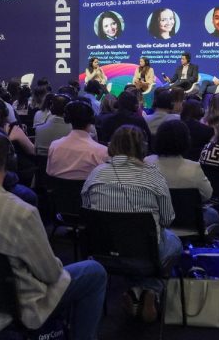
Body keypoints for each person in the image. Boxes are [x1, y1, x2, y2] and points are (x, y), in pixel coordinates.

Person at [0, 130, 107, 339]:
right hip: (13, 311)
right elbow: (50, 274)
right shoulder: (22, 212)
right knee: (94, 271)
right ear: (10, 161)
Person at [81, 125, 179, 323]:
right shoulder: (153, 176)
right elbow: (168, 219)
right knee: (174, 242)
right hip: (145, 256)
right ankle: (151, 290)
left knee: (132, 250)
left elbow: (86, 211)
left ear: (112, 145)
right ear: (143, 147)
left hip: (102, 254)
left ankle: (136, 292)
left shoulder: (95, 175)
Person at [144, 120, 218, 226]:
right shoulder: (194, 168)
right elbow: (207, 195)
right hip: (188, 226)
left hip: (155, 225)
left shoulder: (146, 163)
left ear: (158, 139)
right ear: (186, 141)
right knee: (213, 214)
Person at [46, 101, 108, 180]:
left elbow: (49, 173)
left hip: (55, 188)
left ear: (67, 119)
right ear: (91, 120)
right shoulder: (102, 151)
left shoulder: (54, 146)